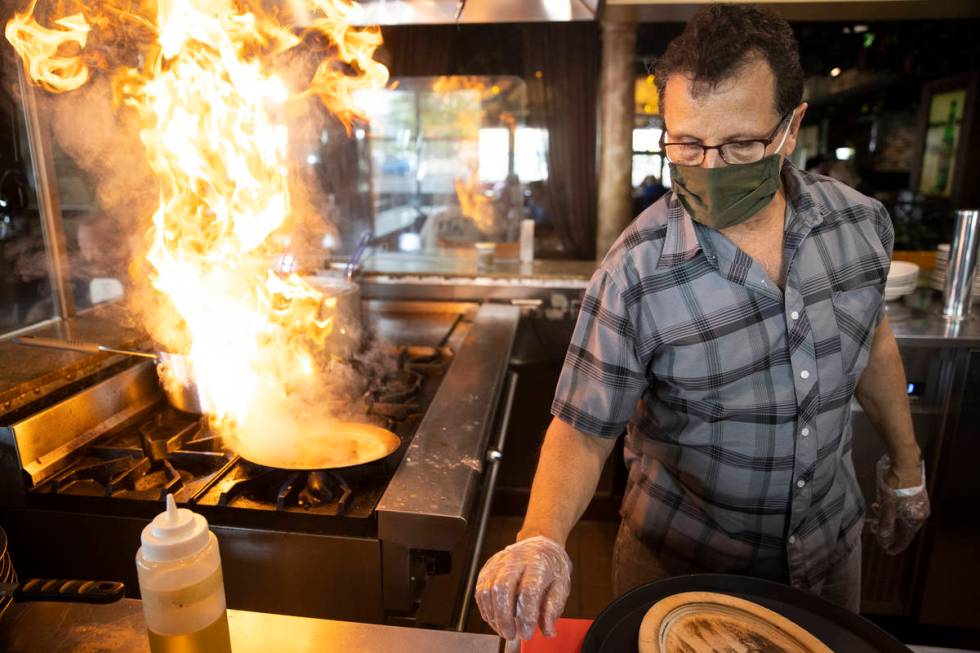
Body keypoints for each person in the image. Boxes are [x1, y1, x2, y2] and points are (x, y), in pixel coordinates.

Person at [474, 4, 929, 642]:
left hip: (829, 558)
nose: (710, 168)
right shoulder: (635, 270)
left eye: (741, 144)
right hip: (682, 579)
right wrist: (539, 536)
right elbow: (582, 428)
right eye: (686, 144)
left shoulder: (860, 225)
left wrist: (907, 469)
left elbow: (872, 343)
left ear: (792, 126)